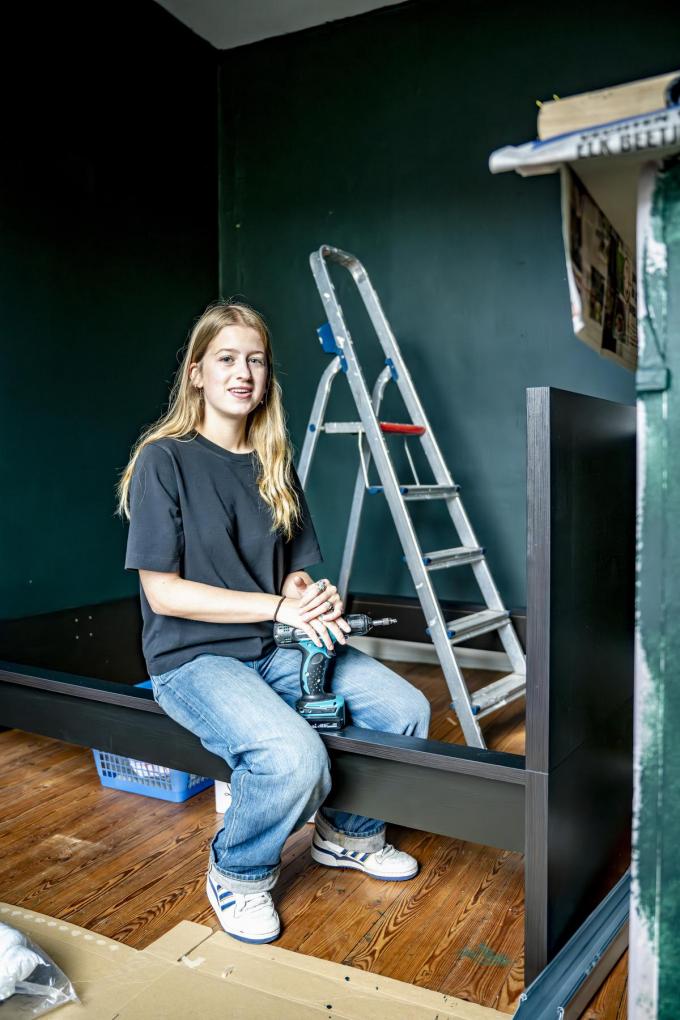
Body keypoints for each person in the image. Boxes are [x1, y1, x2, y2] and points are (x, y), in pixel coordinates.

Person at [117, 301, 431, 944]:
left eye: (255, 360)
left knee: (404, 710)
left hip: (269, 644)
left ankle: (348, 835)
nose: (243, 372)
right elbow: (165, 594)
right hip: (192, 659)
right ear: (197, 373)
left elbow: (287, 573)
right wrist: (280, 607)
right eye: (227, 359)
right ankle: (237, 871)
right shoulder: (163, 459)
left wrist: (309, 596)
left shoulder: (272, 462)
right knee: (292, 757)